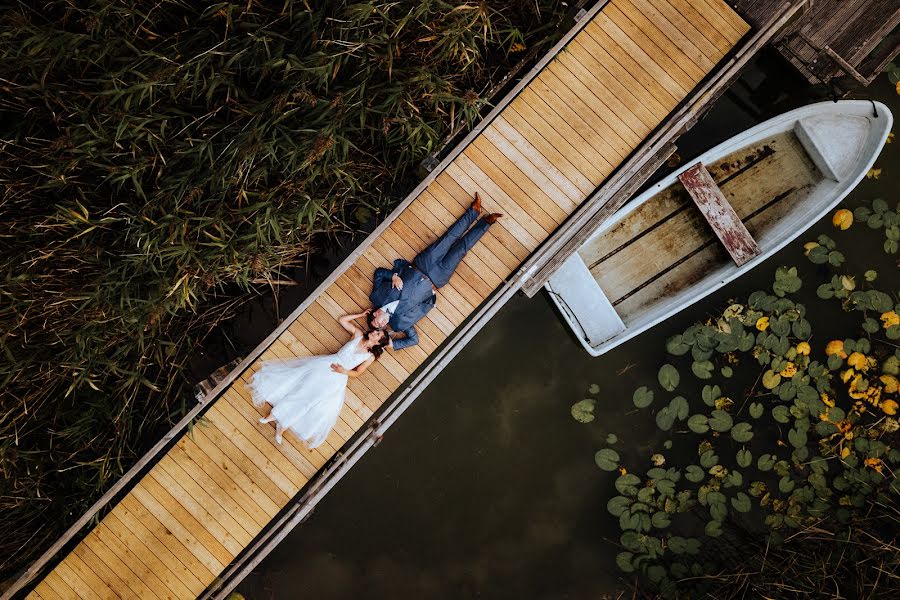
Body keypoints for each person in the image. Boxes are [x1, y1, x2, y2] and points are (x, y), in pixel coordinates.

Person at [368, 192, 501, 349]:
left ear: (375, 313)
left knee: (448, 238)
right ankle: (486, 223)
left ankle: (474, 211)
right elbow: (413, 339)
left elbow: (378, 273)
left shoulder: (376, 297)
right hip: (437, 279)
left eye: (376, 323)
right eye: (380, 328)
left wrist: (394, 276)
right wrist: (392, 344)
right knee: (461, 249)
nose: (381, 325)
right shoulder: (398, 324)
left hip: (422, 264)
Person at [249, 311, 389, 446]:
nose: (374, 331)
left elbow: (358, 372)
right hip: (326, 365)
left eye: (377, 334)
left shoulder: (370, 356)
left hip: (338, 377)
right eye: (376, 330)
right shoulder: (358, 335)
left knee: (310, 401)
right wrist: (360, 314)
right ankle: (272, 416)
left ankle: (282, 426)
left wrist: (344, 371)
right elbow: (342, 320)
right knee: (301, 390)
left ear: (378, 342)